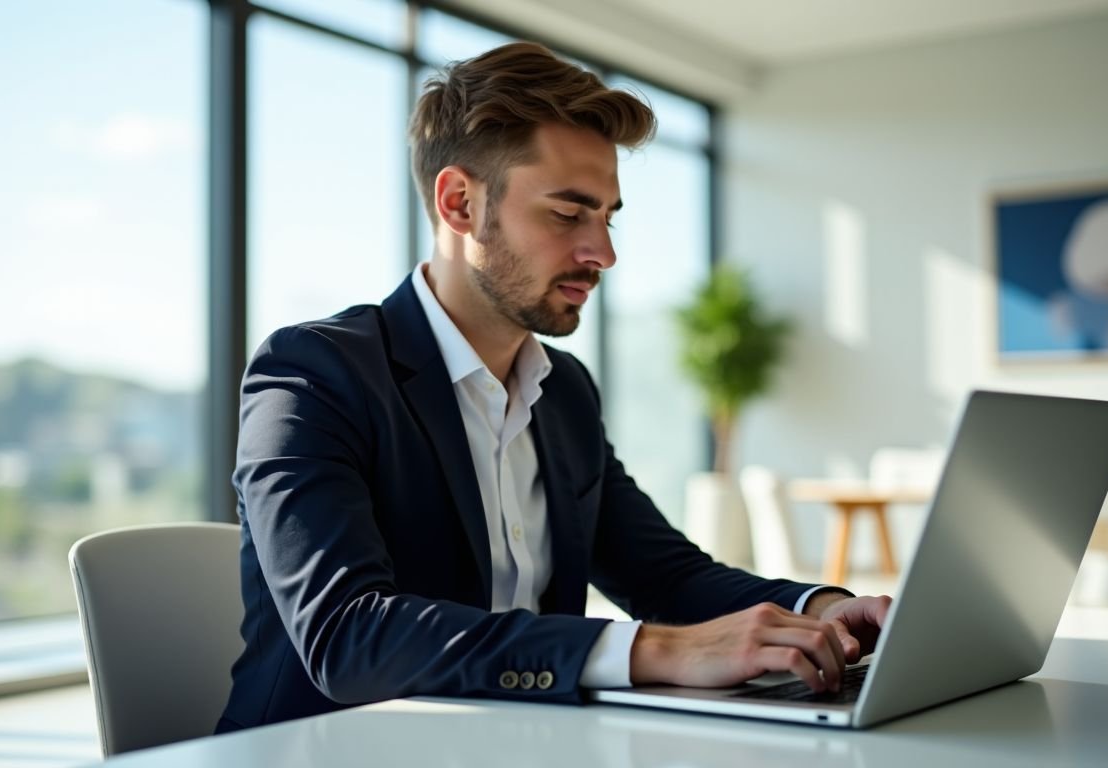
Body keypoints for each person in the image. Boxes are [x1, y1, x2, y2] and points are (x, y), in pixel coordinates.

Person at [216, 41, 890, 733]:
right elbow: (350, 637)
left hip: (517, 741)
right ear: (460, 204)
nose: (603, 252)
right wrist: (658, 650)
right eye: (568, 216)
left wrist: (821, 610)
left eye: (608, 216)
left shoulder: (562, 390)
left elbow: (664, 578)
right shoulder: (311, 373)